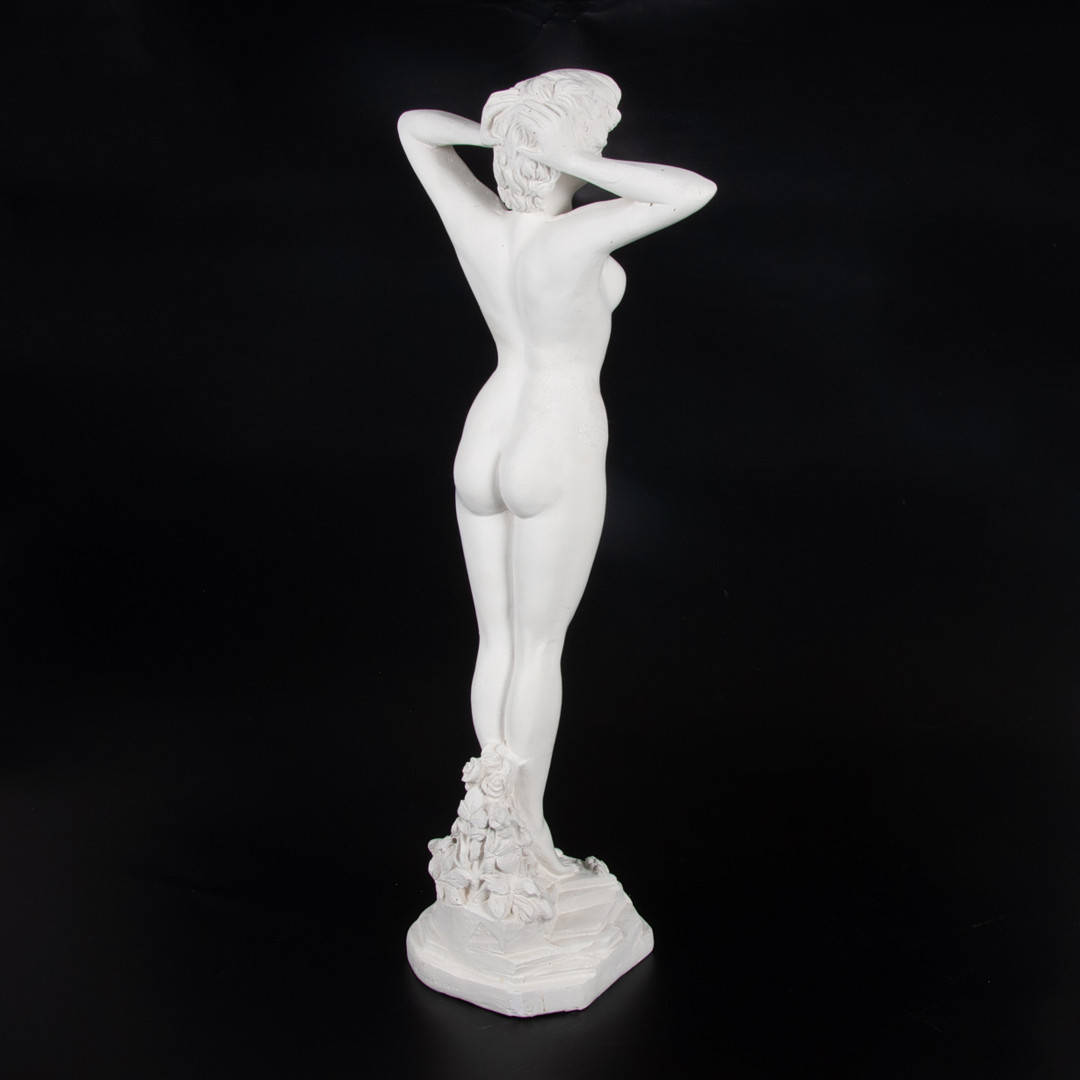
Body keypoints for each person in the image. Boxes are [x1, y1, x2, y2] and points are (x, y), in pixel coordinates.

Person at [399, 70, 716, 875]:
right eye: (597, 134)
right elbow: (691, 190)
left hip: (486, 433)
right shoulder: (579, 234)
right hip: (553, 436)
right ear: (578, 142)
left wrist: (502, 136)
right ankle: (526, 833)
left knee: (499, 639)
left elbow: (414, 127)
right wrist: (569, 159)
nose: (605, 144)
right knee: (538, 648)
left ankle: (490, 818)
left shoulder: (480, 223)